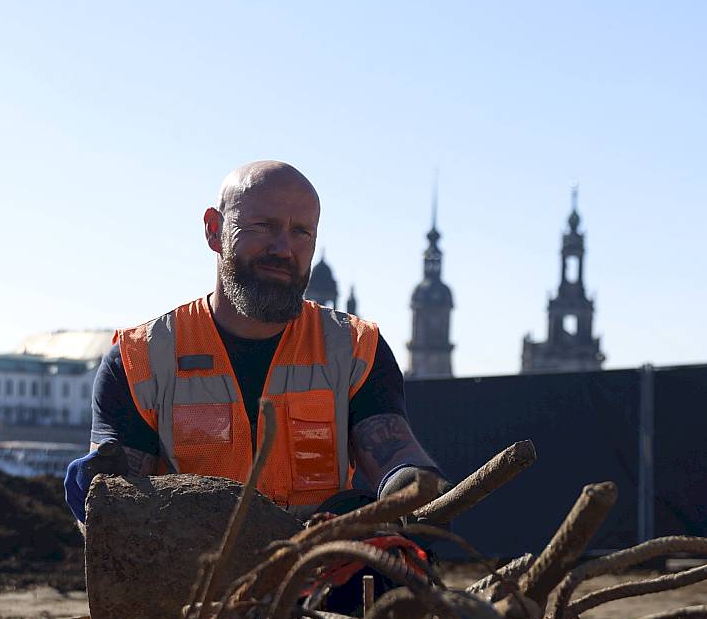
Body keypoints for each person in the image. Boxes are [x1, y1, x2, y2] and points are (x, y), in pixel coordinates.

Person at [65, 160, 441, 526]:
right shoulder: (141, 361)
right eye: (263, 226)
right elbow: (113, 515)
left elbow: (395, 454)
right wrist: (99, 491)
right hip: (195, 568)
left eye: (301, 232)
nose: (283, 248)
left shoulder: (355, 350)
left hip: (321, 565)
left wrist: (417, 490)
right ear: (214, 230)